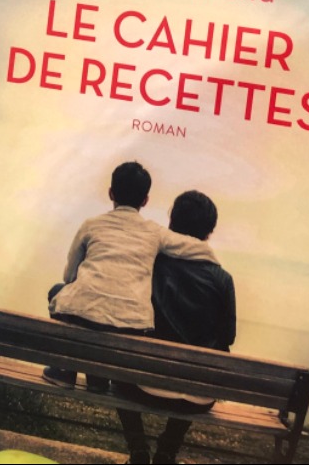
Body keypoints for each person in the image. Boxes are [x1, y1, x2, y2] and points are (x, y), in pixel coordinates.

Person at [44, 162, 218, 408]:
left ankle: (64, 371)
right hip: (131, 327)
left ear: (111, 193)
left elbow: (69, 276)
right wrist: (212, 258)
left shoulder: (91, 225)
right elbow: (189, 247)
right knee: (107, 318)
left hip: (82, 317)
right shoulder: (154, 233)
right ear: (145, 200)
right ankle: (98, 379)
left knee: (58, 292)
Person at [115, 189, 236, 465]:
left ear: (171, 222)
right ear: (209, 232)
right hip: (197, 398)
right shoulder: (223, 280)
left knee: (118, 369)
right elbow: (228, 336)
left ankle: (138, 450)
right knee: (200, 369)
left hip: (144, 387)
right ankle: (167, 452)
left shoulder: (152, 265)